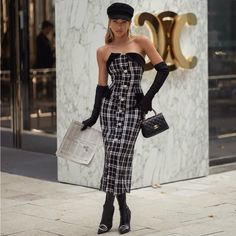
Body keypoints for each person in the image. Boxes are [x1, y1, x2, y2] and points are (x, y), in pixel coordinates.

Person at [81, 2, 169, 234]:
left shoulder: (141, 42)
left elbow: (163, 69)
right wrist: (93, 116)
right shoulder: (103, 51)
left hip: (133, 109)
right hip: (110, 109)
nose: (119, 27)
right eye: (115, 22)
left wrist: (147, 99)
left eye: (124, 22)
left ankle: (108, 209)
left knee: (121, 155)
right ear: (109, 22)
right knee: (112, 156)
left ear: (130, 22)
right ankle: (121, 210)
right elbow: (101, 86)